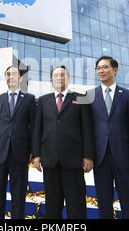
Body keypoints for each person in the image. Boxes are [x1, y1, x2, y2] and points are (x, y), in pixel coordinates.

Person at [32, 65, 94, 219]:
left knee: (76, 205)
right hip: (50, 160)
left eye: (62, 75)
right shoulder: (43, 100)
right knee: (52, 205)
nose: (59, 78)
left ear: (68, 78)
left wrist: (88, 156)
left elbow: (87, 129)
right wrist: (36, 155)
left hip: (73, 160)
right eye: (55, 76)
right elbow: (37, 129)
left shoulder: (81, 98)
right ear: (51, 80)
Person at [0, 66, 36, 219]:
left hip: (20, 153)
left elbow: (34, 127)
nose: (10, 77)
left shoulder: (29, 99)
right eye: (7, 74)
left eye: (14, 74)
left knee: (18, 193)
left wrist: (34, 150)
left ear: (20, 78)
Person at [89, 56, 129, 219]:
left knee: (128, 199)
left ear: (115, 70)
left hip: (124, 155)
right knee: (103, 201)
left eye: (105, 67)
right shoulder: (90, 95)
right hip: (100, 156)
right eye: (98, 68)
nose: (101, 71)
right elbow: (87, 128)